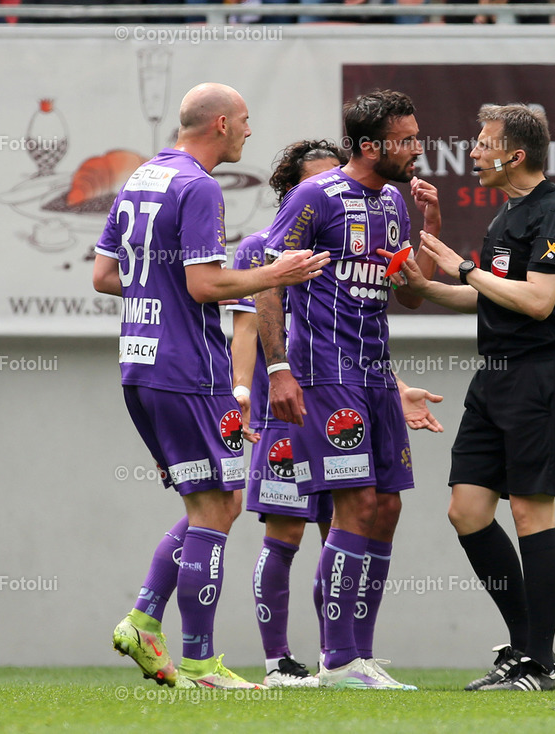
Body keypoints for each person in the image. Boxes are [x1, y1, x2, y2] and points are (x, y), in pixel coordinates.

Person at [92, 82, 329, 690]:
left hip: (139, 366)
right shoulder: (198, 186)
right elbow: (203, 286)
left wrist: (158, 292)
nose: (251, 132)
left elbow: (104, 275)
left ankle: (145, 620)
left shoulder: (143, 177)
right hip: (188, 370)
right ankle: (199, 663)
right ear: (220, 123)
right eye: (246, 121)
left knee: (214, 504)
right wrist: (273, 273)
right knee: (216, 508)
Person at [390, 102, 555, 692]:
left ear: (515, 154)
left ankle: (540, 663)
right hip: (493, 380)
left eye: (483, 142)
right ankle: (524, 649)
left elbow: (537, 301)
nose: (473, 151)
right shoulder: (505, 216)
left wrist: (464, 269)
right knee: (467, 512)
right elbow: (489, 296)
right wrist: (427, 284)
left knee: (530, 512)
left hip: (540, 378)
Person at [255, 89, 443, 690]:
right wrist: (278, 368)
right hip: (325, 370)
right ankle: (335, 660)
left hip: (376, 373)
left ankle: (358, 655)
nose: (418, 147)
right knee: (355, 503)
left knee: (387, 506)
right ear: (370, 146)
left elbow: (410, 295)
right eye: (407, 138)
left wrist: (429, 228)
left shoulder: (392, 201)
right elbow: (269, 278)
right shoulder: (316, 196)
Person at [228, 139, 344, 688]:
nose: (325, 193)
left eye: (333, 180)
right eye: (312, 184)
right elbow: (246, 329)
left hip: (339, 412)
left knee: (341, 535)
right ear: (288, 191)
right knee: (284, 538)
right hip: (286, 416)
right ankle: (278, 662)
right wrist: (242, 391)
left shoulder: (344, 250)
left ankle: (338, 659)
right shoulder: (258, 248)